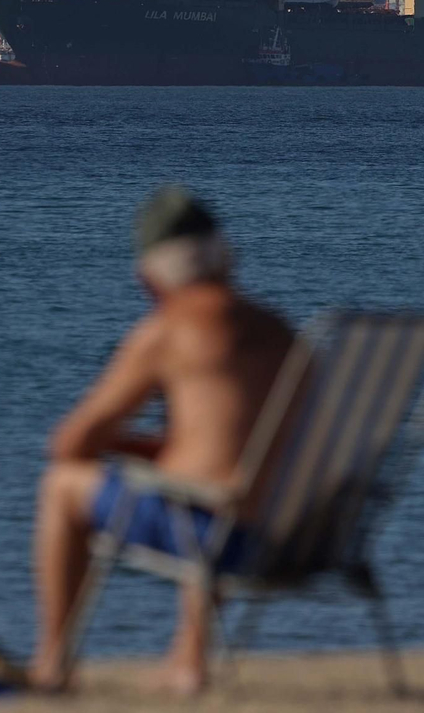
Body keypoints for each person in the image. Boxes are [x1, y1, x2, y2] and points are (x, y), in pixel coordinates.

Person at [29, 187, 294, 694]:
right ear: (225, 259)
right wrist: (160, 450)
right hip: (301, 535)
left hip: (220, 536)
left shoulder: (168, 329)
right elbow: (241, 449)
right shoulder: (279, 328)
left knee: (63, 486)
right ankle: (189, 660)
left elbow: (70, 442)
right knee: (212, 488)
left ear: (151, 279)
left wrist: (121, 451)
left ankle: (52, 664)